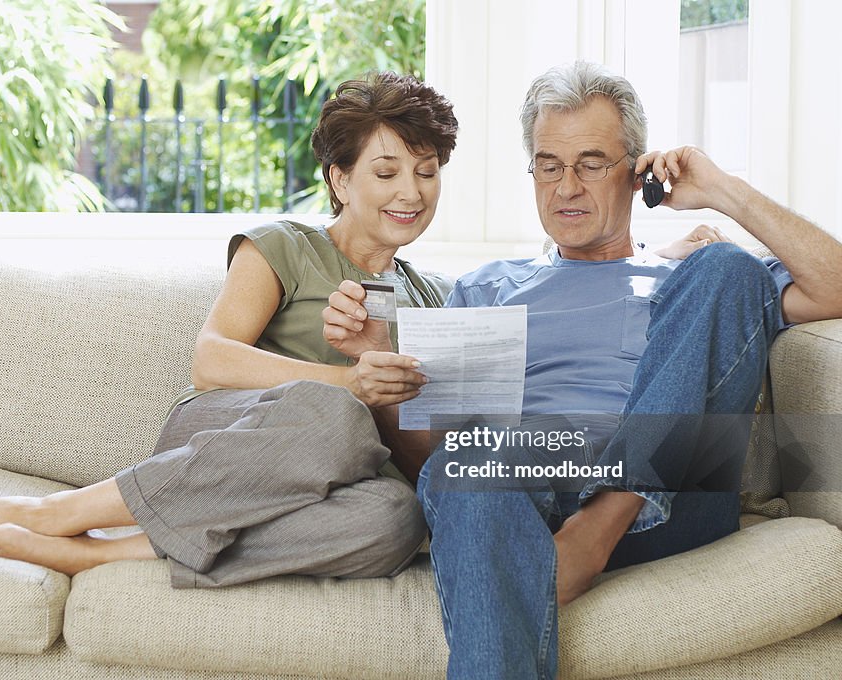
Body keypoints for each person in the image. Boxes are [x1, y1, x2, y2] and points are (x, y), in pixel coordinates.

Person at [323, 60, 842, 678]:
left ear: (637, 172)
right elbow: (431, 463)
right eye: (549, 165)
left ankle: (606, 519)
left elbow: (834, 286)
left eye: (592, 163)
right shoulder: (487, 288)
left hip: (672, 501)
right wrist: (379, 371)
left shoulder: (686, 275)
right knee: (470, 464)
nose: (566, 186)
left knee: (729, 265)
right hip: (524, 485)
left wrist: (724, 191)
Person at [0, 71, 458, 587]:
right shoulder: (284, 248)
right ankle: (57, 512)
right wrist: (350, 385)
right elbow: (213, 361)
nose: (411, 192)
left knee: (398, 519)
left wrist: (386, 397)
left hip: (341, 485)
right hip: (224, 440)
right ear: (340, 180)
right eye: (387, 172)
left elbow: (422, 465)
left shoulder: (435, 301)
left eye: (426, 172)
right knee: (338, 415)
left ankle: (101, 553)